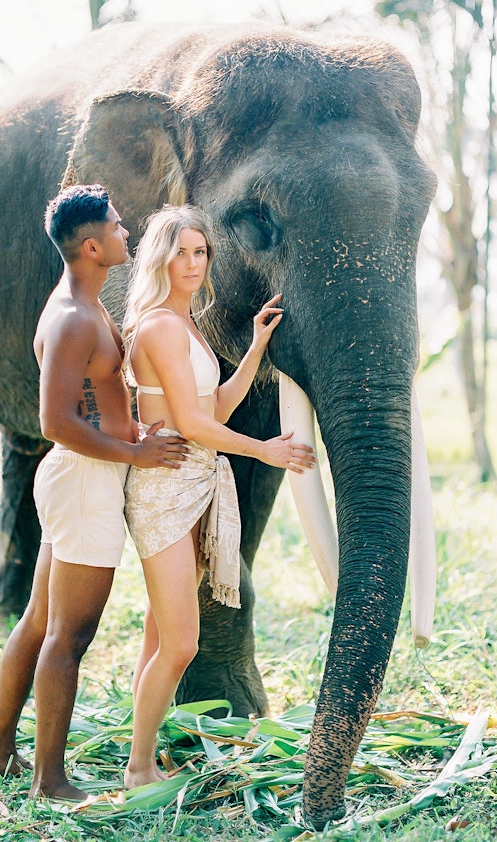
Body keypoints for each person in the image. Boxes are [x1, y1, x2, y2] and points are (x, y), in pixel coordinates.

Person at [0, 184, 187, 802]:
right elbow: (55, 421)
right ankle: (50, 779)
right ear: (93, 246)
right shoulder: (73, 317)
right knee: (70, 634)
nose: (128, 233)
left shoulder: (85, 304)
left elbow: (98, 405)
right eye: (119, 227)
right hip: (85, 480)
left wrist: (130, 432)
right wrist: (134, 451)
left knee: (41, 620)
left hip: (84, 477)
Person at [120, 204, 317, 789]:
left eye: (200, 251)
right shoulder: (158, 326)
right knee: (181, 643)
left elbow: (214, 410)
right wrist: (265, 450)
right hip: (163, 492)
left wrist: (255, 346)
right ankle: (138, 768)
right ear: (160, 257)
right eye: (179, 251)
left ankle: (144, 751)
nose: (191, 262)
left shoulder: (186, 327)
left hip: (193, 486)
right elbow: (188, 422)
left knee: (160, 634)